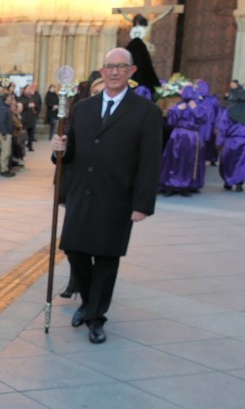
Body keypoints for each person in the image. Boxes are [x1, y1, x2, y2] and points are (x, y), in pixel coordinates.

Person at [50, 48, 162, 344]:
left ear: (131, 72)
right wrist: (58, 148)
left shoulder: (146, 112)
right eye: (110, 67)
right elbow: (70, 152)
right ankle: (87, 303)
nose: (114, 72)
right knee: (74, 250)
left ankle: (96, 317)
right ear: (102, 71)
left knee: (107, 260)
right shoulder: (84, 108)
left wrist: (142, 204)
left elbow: (150, 162)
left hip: (117, 198)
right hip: (82, 196)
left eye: (121, 67)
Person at [159, 86, 206, 196]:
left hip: (191, 136)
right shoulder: (177, 106)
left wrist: (194, 108)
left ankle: (186, 184)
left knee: (188, 161)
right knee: (173, 159)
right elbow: (171, 122)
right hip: (178, 135)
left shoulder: (198, 106)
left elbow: (203, 119)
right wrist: (177, 110)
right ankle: (171, 183)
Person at [218, 87, 245, 192]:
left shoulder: (230, 110)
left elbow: (223, 126)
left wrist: (219, 141)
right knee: (243, 162)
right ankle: (239, 183)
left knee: (228, 160)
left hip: (232, 140)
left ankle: (228, 181)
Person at [0, 91, 16, 177]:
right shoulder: (3, 108)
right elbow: (1, 121)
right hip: (5, 133)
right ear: (6, 99)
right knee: (5, 152)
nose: (11, 99)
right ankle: (3, 170)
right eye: (10, 97)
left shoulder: (6, 107)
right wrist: (4, 133)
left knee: (7, 152)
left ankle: (6, 168)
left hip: (7, 132)